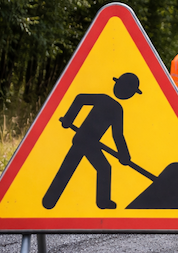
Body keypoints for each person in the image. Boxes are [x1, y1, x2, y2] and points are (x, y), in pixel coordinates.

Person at [42, 73, 141, 210]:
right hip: (87, 141)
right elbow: (117, 135)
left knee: (69, 168)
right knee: (101, 168)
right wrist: (69, 119)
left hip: (87, 141)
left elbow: (117, 135)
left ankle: (49, 200)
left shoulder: (111, 105)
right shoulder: (115, 107)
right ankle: (102, 202)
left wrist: (124, 155)